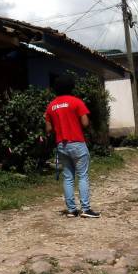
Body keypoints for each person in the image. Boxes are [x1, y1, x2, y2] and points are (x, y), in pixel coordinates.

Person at [44, 75, 100, 218]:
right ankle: (86, 209)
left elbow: (48, 129)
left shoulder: (51, 106)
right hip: (77, 143)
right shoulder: (76, 102)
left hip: (61, 145)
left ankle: (71, 210)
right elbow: (85, 123)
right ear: (71, 87)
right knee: (82, 176)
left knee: (68, 178)